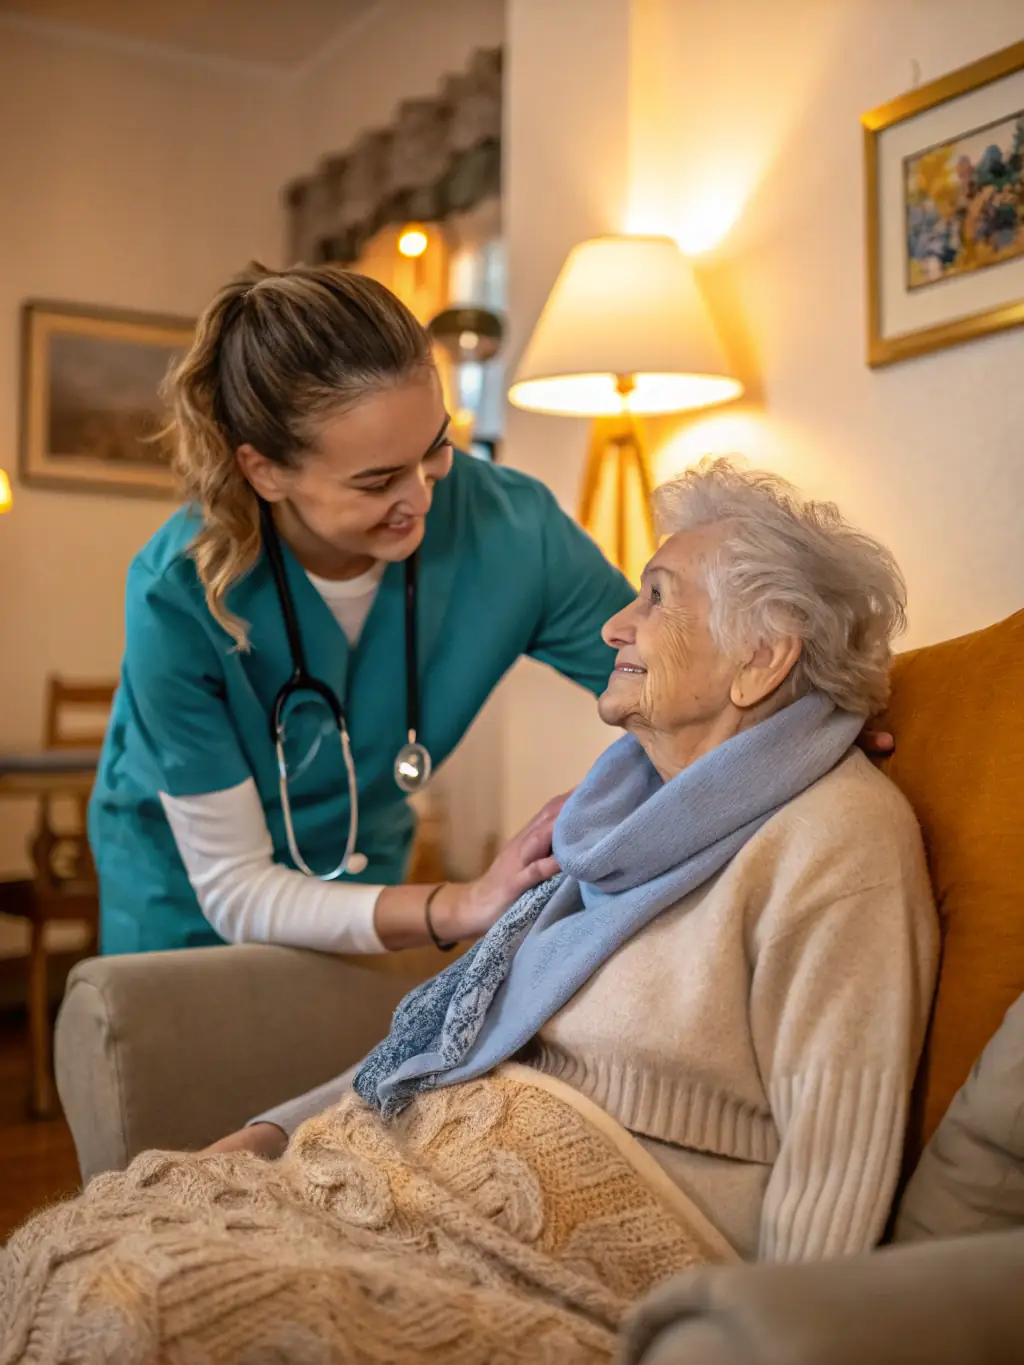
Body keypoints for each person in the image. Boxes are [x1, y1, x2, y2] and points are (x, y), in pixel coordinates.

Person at [209, 459, 939, 1266]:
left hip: (566, 1258)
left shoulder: (834, 836)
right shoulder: (611, 824)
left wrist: (765, 1338)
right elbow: (461, 1039)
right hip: (399, 1190)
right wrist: (273, 1131)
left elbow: (832, 1164)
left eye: (655, 596)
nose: (612, 627)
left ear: (763, 658)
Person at [89, 262, 634, 957]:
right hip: (186, 909)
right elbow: (234, 887)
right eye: (378, 480)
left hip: (372, 881)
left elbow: (673, 683)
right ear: (265, 470)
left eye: (435, 449)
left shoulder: (514, 530)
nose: (424, 498)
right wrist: (460, 903)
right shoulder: (178, 594)